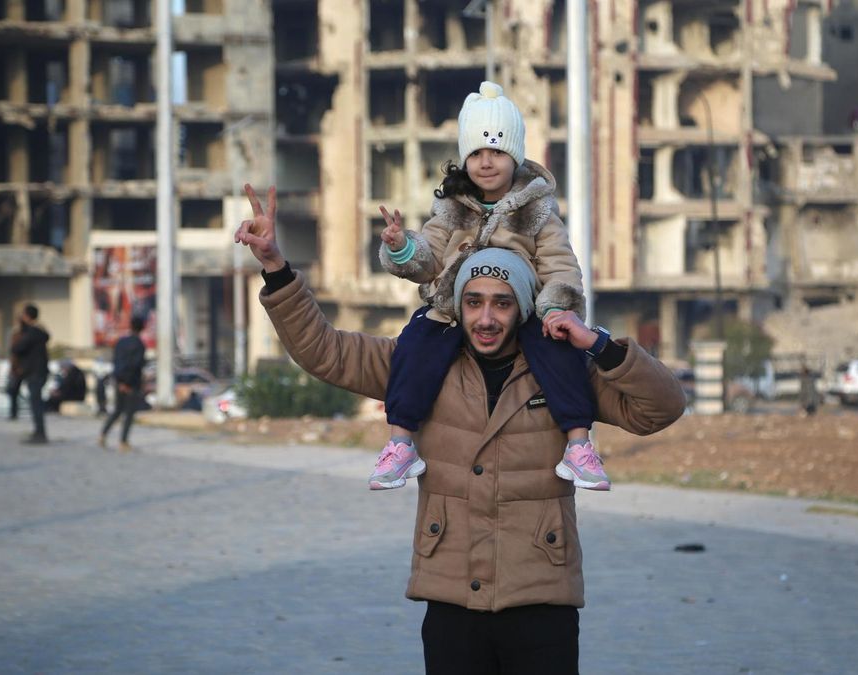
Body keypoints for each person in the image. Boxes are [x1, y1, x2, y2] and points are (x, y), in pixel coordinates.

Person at [235, 186, 686, 674]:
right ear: (458, 303)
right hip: (451, 601)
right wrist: (276, 268)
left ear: (523, 308)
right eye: (473, 302)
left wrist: (598, 345)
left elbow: (659, 409)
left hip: (542, 601)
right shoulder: (418, 367)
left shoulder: (563, 373)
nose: (486, 319)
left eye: (501, 303)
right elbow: (324, 351)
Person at [373, 80, 608, 492]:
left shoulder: (537, 211)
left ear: (514, 156)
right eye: (477, 152)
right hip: (453, 308)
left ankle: (578, 445)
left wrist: (554, 308)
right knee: (414, 345)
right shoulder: (449, 210)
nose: (486, 162)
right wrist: (402, 247)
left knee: (560, 354)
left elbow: (560, 266)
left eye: (497, 151)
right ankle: (400, 442)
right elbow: (427, 261)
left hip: (525, 310)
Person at [99, 316, 146, 452]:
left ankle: (103, 434)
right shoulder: (139, 345)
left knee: (117, 410)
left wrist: (119, 381)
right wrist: (127, 383)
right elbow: (135, 365)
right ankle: (123, 441)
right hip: (131, 383)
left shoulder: (121, 342)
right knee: (129, 413)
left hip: (118, 380)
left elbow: (117, 362)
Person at [10, 304, 50, 444]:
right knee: (36, 402)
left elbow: (17, 348)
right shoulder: (40, 332)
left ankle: (40, 433)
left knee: (36, 403)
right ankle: (39, 431)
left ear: (27, 316)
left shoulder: (31, 334)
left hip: (33, 372)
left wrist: (21, 328)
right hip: (40, 371)